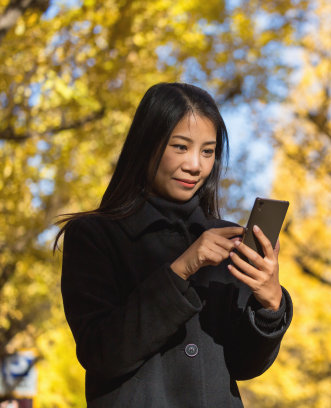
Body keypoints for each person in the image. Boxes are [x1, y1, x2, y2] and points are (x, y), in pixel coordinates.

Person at [55, 82, 293, 407]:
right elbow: (102, 354)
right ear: (146, 146)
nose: (195, 165)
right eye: (181, 147)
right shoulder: (93, 235)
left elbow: (244, 365)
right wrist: (183, 268)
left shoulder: (229, 242)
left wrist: (270, 305)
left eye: (207, 151)